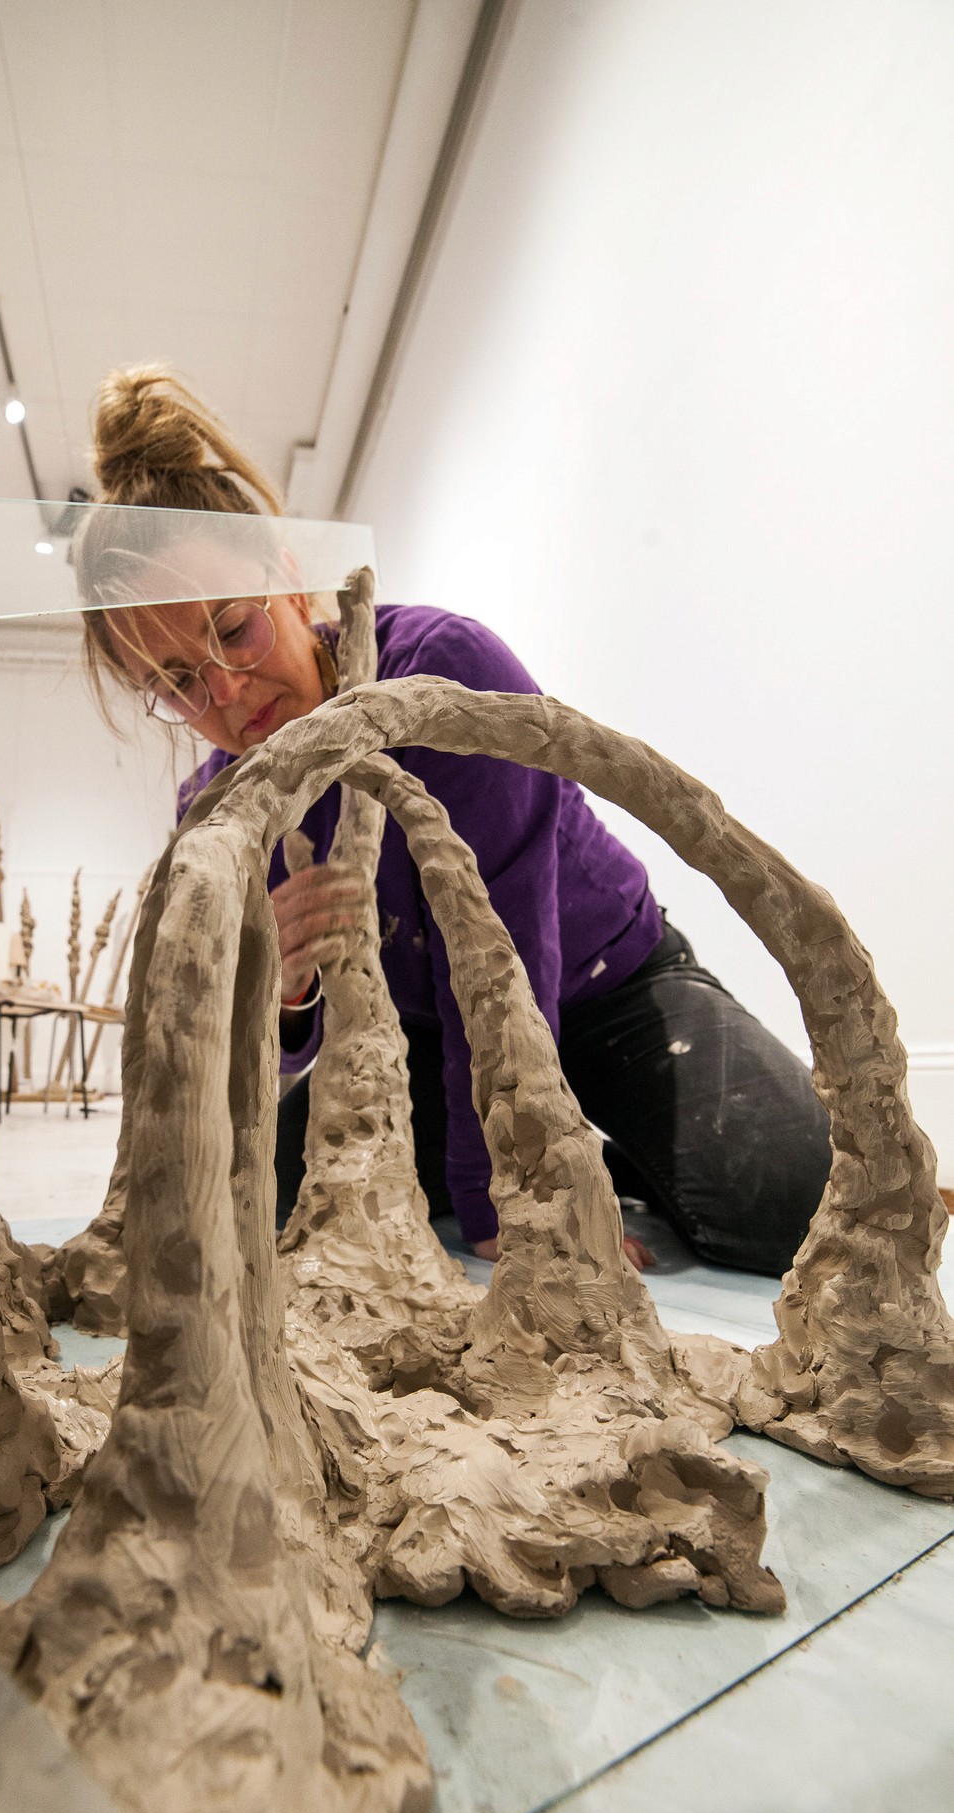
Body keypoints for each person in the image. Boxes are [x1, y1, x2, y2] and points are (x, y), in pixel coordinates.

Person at [76, 366, 831, 1278]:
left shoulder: (442, 670)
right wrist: (282, 987)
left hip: (605, 990)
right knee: (258, 1202)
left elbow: (506, 951)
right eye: (174, 684)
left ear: (289, 577)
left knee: (796, 1206)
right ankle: (614, 1154)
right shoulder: (221, 801)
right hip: (426, 1036)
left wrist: (509, 1192)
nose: (226, 694)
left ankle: (609, 1144)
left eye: (233, 631)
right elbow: (292, 1040)